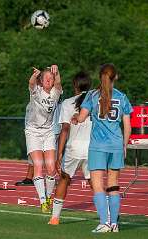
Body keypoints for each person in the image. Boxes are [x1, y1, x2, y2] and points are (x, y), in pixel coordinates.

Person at [71, 63, 132, 233]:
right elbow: (127, 126)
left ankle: (104, 222)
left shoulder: (92, 95)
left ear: (100, 77)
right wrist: (125, 145)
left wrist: (75, 117)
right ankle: (114, 224)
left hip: (98, 145)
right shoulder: (122, 97)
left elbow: (82, 118)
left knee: (98, 185)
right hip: (116, 145)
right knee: (113, 185)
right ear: (116, 77)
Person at [49, 71, 92, 225]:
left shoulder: (68, 103)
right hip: (92, 148)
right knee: (95, 183)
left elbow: (65, 130)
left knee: (64, 180)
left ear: (75, 85)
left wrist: (59, 154)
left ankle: (55, 218)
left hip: (74, 148)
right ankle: (107, 216)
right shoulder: (96, 101)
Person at [25, 65, 62, 213]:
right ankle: (42, 201)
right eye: (46, 78)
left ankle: (48, 196)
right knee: (39, 165)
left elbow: (59, 84)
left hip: (48, 132)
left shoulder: (55, 93)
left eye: (51, 78)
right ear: (41, 80)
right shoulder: (36, 91)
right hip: (33, 131)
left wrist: (57, 72)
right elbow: (31, 83)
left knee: (52, 168)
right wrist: (35, 75)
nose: (49, 80)